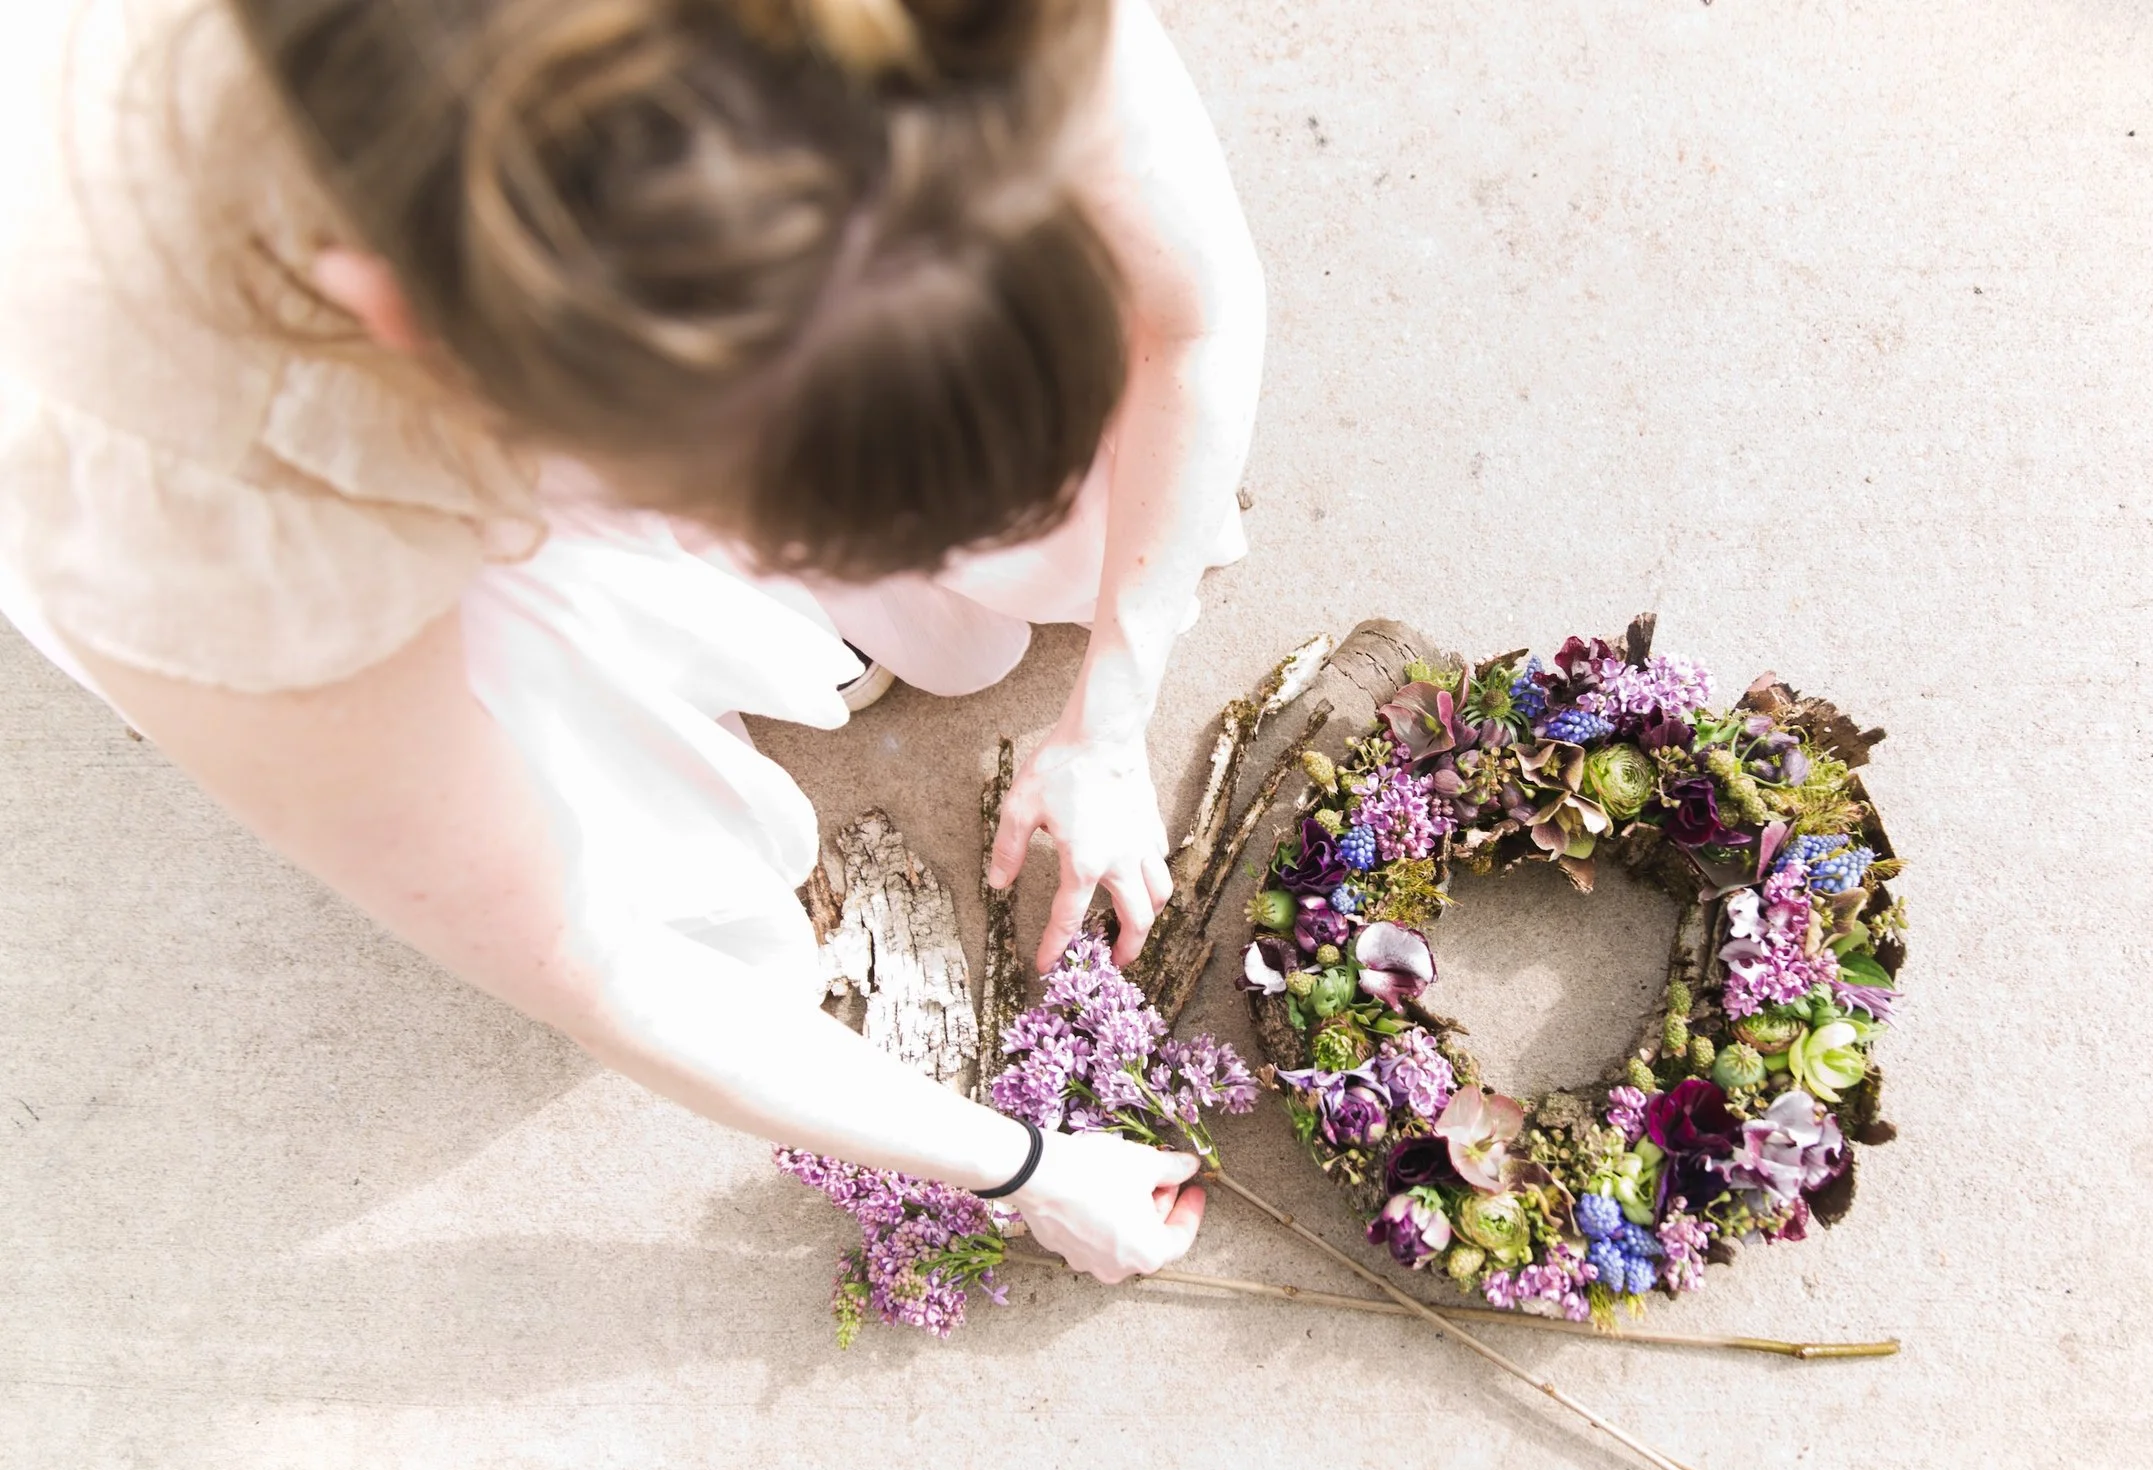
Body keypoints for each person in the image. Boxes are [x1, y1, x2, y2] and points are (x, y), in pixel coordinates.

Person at [0, 0, 1266, 1281]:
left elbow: (1193, 312)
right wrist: (1025, 1165)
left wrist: (1112, 707)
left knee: (1067, 489)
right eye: (766, 523)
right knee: (642, 854)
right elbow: (585, 952)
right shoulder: (193, 490)